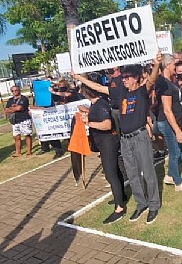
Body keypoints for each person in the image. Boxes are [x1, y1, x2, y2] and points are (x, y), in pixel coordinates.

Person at [119, 53, 163, 224]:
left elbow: (151, 80)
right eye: (123, 77)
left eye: (127, 77)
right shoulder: (122, 92)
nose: (124, 80)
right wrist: (79, 78)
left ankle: (153, 205)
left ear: (136, 78)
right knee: (132, 173)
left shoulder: (141, 92)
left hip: (139, 137)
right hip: (125, 139)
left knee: (148, 172)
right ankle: (141, 203)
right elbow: (102, 88)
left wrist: (156, 64)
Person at [76, 84, 128, 223]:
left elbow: (107, 124)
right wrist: (86, 112)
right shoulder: (96, 104)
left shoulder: (100, 104)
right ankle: (121, 196)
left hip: (108, 143)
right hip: (104, 142)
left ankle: (120, 208)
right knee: (115, 171)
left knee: (110, 174)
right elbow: (98, 115)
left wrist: (88, 123)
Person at [154, 54, 182, 192]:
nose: (174, 67)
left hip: (175, 119)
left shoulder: (168, 81)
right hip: (167, 122)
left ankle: (170, 175)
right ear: (167, 65)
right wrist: (177, 131)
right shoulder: (163, 84)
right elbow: (166, 110)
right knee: (175, 152)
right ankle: (178, 182)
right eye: (173, 65)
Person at [37, 79, 79, 158]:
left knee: (73, 132)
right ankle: (58, 150)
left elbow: (67, 95)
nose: (60, 88)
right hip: (61, 117)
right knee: (54, 132)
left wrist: (54, 92)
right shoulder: (57, 93)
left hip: (72, 115)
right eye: (59, 86)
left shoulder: (71, 90)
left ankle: (76, 146)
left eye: (61, 86)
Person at [4, 85, 32, 157]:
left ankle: (29, 151)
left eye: (16, 90)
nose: (14, 92)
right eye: (12, 91)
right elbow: (6, 110)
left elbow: (20, 108)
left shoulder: (24, 98)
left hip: (24, 119)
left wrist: (13, 108)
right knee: (16, 136)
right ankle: (18, 152)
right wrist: (13, 108)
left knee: (27, 135)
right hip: (14, 120)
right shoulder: (10, 100)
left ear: (19, 90)